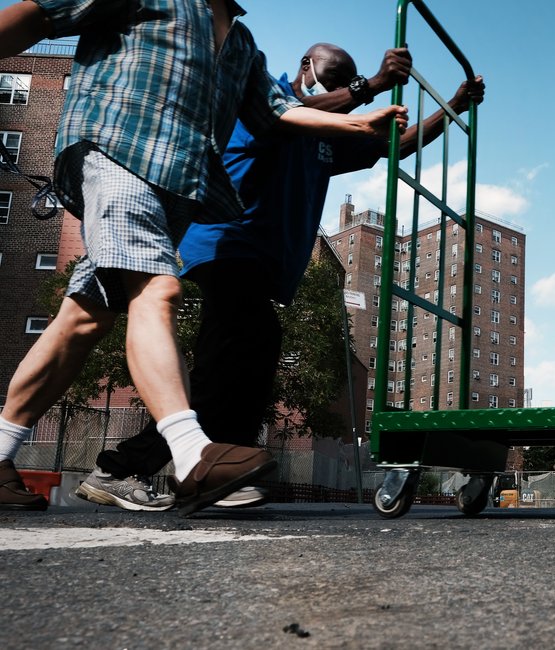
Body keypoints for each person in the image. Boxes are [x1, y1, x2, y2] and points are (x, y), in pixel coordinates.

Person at [0, 0, 408, 516]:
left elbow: (276, 112)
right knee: (158, 289)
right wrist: (368, 90)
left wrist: (362, 121)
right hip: (115, 154)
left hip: (174, 192)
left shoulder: (241, 47)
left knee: (83, 318)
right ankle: (193, 455)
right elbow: (40, 15)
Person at [74, 41, 485, 511]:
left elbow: (396, 146)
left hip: (261, 260)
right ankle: (121, 468)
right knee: (232, 354)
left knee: (248, 356)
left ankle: (225, 465)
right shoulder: (271, 99)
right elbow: (291, 111)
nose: (339, 93)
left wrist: (452, 106)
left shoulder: (327, 135)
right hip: (224, 242)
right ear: (306, 67)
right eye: (331, 82)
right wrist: (370, 85)